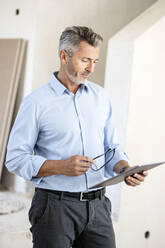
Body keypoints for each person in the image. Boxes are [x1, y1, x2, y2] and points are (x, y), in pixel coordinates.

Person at [5, 26, 148, 248]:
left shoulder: (101, 97)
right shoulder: (36, 102)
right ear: (64, 56)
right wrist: (60, 166)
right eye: (85, 60)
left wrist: (124, 169)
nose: (91, 68)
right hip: (55, 208)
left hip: (98, 207)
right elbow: (15, 158)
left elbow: (112, 148)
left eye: (95, 61)